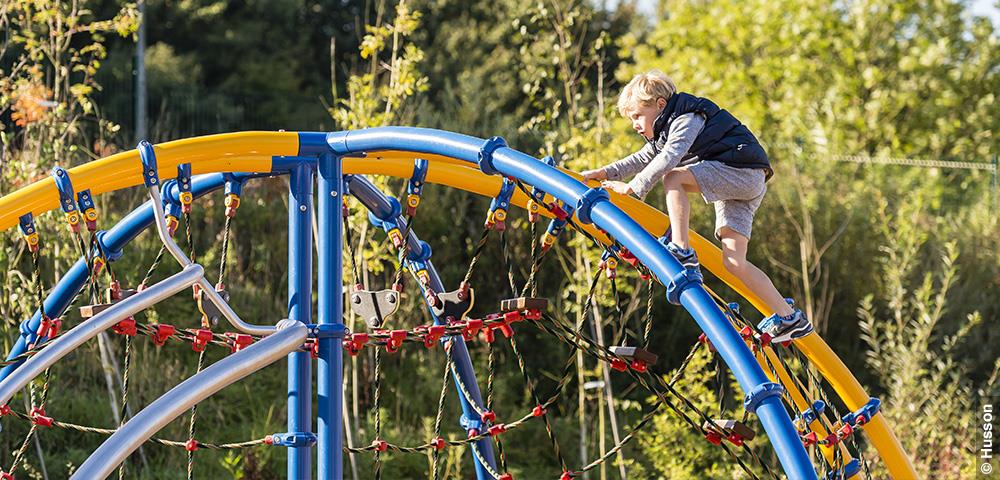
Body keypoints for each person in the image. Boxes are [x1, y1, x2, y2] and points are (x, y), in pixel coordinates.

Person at [580, 70, 812, 342]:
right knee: (734, 262)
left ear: (660, 105)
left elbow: (670, 157)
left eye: (637, 116)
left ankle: (682, 249)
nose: (634, 125)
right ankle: (789, 319)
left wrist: (634, 188)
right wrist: (606, 173)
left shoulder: (687, 117)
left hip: (741, 172)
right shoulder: (664, 129)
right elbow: (643, 157)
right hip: (743, 181)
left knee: (674, 177)